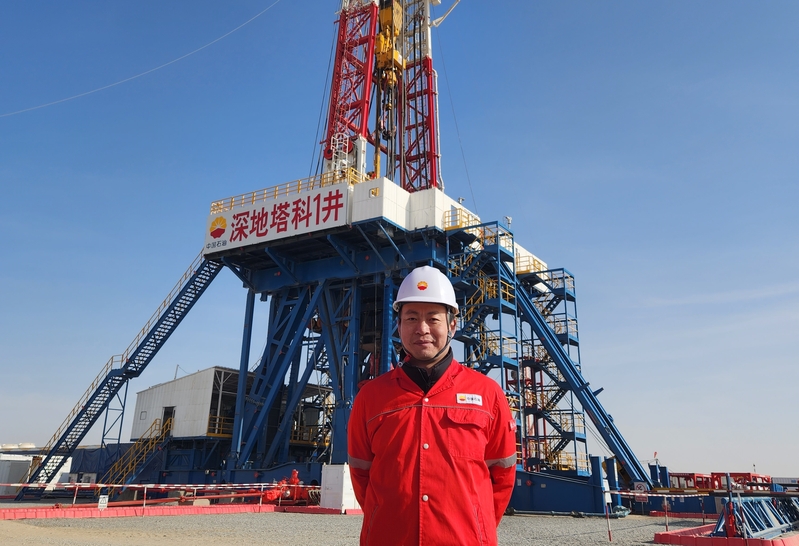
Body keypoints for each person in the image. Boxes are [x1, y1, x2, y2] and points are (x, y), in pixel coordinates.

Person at [348, 265, 518, 546]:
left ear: (452, 325)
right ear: (399, 325)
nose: (422, 329)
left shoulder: (488, 394)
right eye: (411, 318)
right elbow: (361, 474)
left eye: (433, 318)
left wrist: (476, 526)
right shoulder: (371, 397)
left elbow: (502, 476)